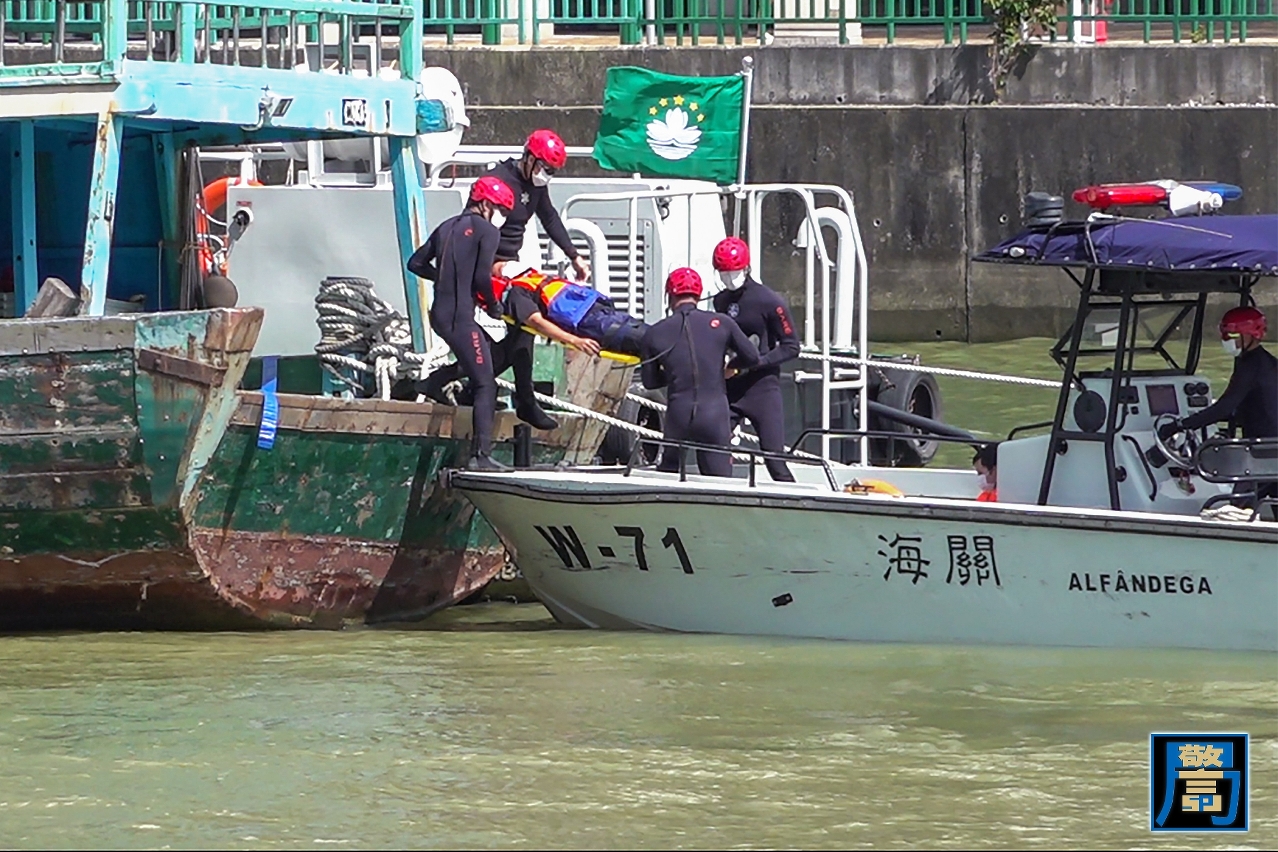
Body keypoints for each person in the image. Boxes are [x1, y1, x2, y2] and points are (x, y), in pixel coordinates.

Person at [405, 176, 549, 470]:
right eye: (501, 209)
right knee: (486, 384)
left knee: (494, 356)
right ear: (485, 204)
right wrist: (494, 306)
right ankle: (480, 456)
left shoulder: (446, 226)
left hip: (441, 314)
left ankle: (430, 382)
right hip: (459, 318)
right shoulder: (487, 231)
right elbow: (484, 277)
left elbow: (415, 263)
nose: (503, 216)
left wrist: (444, 279)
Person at [640, 267, 760, 477]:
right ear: (698, 294)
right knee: (719, 483)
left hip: (679, 413)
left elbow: (650, 382)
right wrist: (728, 367)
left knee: (668, 478)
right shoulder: (723, 323)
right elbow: (752, 357)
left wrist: (674, 374)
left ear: (670, 295)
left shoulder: (654, 333)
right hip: (714, 413)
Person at [1160, 305, 1277, 504]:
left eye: (1232, 335)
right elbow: (1252, 405)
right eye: (1225, 335)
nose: (1227, 340)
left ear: (1251, 335)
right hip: (1271, 449)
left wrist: (1179, 426)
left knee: (1236, 510)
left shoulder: (1249, 367)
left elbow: (1224, 407)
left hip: (1263, 454)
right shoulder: (1268, 362)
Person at [710, 237, 801, 482]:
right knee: (714, 448)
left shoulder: (770, 301)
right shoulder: (720, 301)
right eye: (723, 273)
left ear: (746, 268)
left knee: (774, 458)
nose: (729, 278)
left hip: (763, 388)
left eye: (733, 272)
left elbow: (792, 347)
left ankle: (792, 498)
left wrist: (755, 363)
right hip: (729, 388)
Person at [484, 130, 590, 283]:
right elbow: (474, 225)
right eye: (547, 169)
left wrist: (574, 256)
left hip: (511, 262)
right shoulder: (496, 180)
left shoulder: (536, 185)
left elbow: (550, 218)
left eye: (553, 171)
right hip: (488, 262)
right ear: (531, 159)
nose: (548, 175)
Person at [498, 268, 649, 356]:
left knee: (651, 342)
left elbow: (536, 322)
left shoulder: (517, 292)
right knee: (651, 339)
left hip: (593, 322)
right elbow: (537, 321)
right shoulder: (536, 279)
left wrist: (574, 341)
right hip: (604, 313)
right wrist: (575, 341)